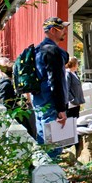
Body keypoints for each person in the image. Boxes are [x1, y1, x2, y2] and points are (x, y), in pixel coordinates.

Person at [32, 16, 70, 158]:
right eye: (62, 28)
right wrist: (61, 108)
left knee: (43, 140)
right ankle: (51, 176)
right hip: (51, 103)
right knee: (54, 145)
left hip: (39, 101)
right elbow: (56, 81)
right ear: (53, 30)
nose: (65, 31)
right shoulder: (52, 51)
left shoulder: (37, 50)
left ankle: (42, 174)